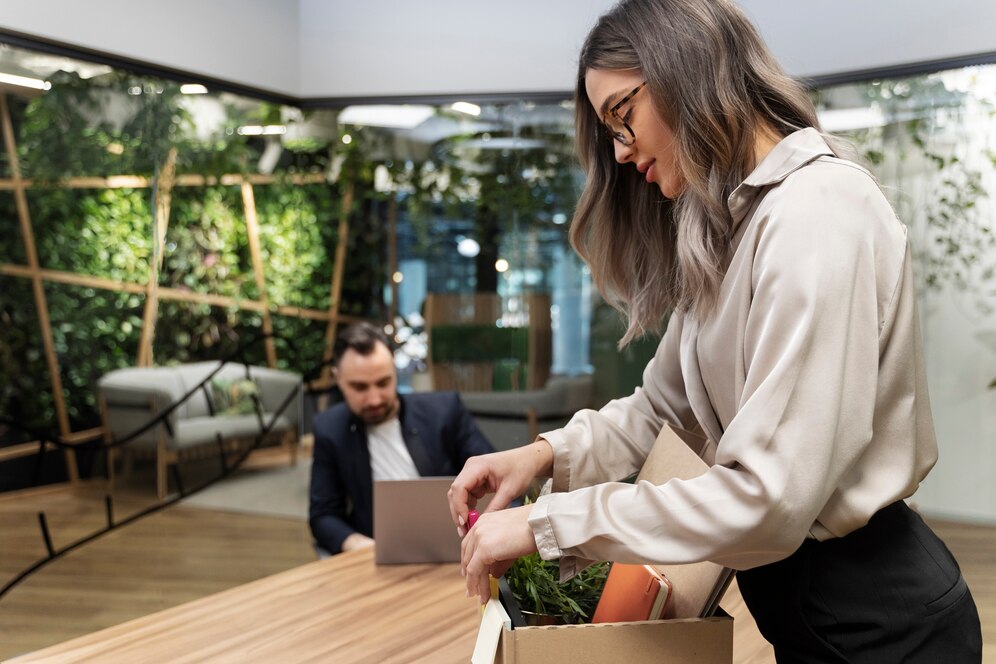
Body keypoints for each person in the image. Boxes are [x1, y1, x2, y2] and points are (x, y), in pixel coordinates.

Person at [448, 0, 983, 660]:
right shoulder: (732, 229)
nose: (620, 152)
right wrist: (541, 458)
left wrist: (550, 523)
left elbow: (766, 501)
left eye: (624, 116)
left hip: (885, 622)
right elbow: (660, 412)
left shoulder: (817, 212)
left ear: (689, 71)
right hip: (813, 614)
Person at [309, 322, 493, 555]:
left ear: (395, 372)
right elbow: (323, 515)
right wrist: (360, 546)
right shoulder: (330, 428)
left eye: (383, 383)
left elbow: (492, 479)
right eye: (360, 387)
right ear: (338, 379)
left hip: (460, 549)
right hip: (377, 554)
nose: (374, 398)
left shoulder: (444, 412)